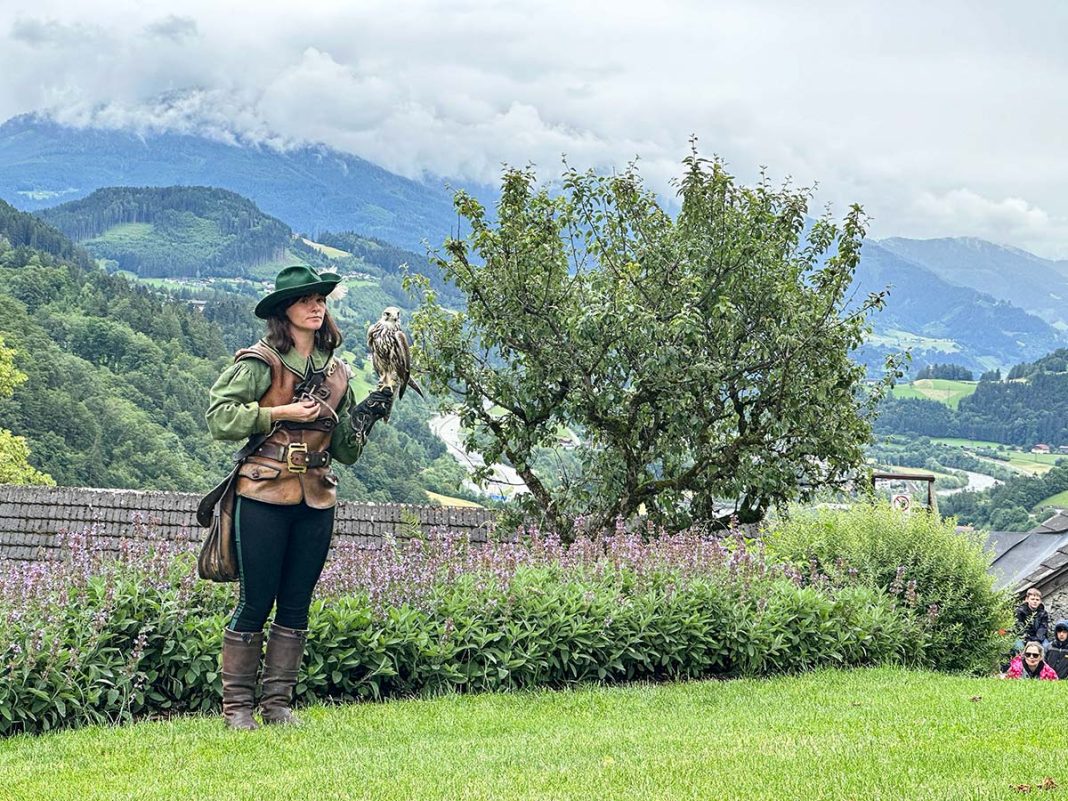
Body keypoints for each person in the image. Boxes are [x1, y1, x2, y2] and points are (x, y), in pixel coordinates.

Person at [205, 265, 394, 730]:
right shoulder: (260, 363)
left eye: (321, 300)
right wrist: (281, 412)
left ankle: (277, 707)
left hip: (317, 497)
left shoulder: (338, 373)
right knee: (256, 599)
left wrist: (369, 412)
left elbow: (345, 451)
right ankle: (237, 711)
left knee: (296, 602)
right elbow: (219, 417)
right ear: (284, 311)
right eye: (306, 300)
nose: (316, 306)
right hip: (263, 491)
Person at [1014, 587, 1050, 652]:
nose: (1035, 601)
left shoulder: (1043, 613)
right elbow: (1020, 628)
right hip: (1023, 637)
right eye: (1032, 599)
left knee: (1046, 646)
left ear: (1040, 601)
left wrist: (1037, 640)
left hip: (1039, 638)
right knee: (1019, 647)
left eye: (1037, 600)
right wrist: (1028, 641)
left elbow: (1043, 628)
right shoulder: (1020, 612)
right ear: (1027, 599)